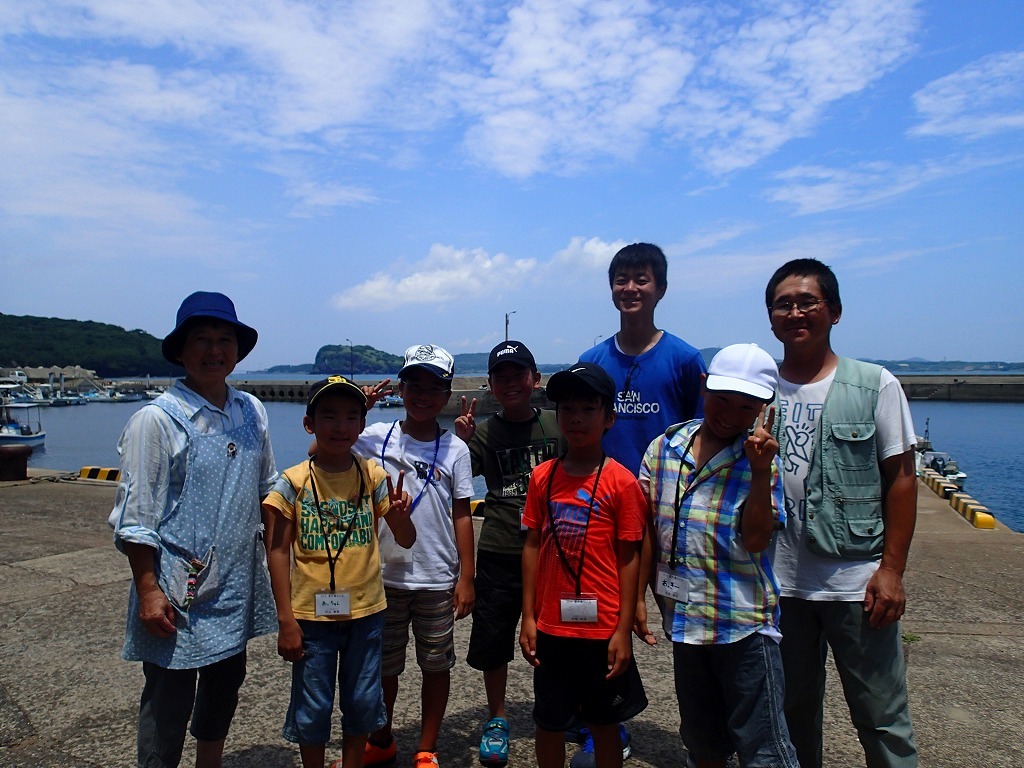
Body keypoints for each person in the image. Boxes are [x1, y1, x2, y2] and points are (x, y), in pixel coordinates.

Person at [108, 291, 278, 768]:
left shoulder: (251, 410)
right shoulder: (157, 420)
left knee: (225, 688)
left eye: (225, 340)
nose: (214, 350)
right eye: (201, 340)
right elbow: (135, 517)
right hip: (175, 589)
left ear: (238, 351)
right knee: (168, 700)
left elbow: (268, 487)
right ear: (181, 350)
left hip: (235, 584)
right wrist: (147, 589)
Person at [765, 259, 918, 768]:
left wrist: (891, 570)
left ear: (834, 311)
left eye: (807, 301)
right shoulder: (759, 390)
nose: (795, 312)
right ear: (770, 318)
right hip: (779, 585)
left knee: (880, 716)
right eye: (784, 303)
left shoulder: (874, 384)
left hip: (857, 583)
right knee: (789, 714)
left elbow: (901, 476)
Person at [641, 344, 799, 768]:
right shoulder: (664, 448)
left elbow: (756, 540)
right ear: (703, 386)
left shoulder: (761, 459)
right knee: (703, 743)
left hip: (743, 626)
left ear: (764, 409)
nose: (730, 413)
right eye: (721, 399)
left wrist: (762, 471)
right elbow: (646, 534)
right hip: (685, 624)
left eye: (747, 406)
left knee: (765, 746)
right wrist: (636, 601)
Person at [262, 376, 416, 768]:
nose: (340, 426)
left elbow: (406, 538)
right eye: (328, 416)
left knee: (363, 700)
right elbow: (277, 549)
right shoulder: (293, 482)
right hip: (310, 617)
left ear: (362, 426)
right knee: (313, 704)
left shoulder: (372, 476)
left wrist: (401, 519)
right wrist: (285, 620)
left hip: (366, 613)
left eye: (351, 417)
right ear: (309, 424)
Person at [519, 362, 648, 768]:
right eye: (567, 409)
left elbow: (630, 557)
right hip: (552, 624)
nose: (576, 419)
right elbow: (533, 545)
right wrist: (528, 614)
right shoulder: (542, 477)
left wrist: (623, 628)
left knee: (603, 721)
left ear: (609, 418)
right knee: (550, 720)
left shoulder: (621, 482)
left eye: (588, 409)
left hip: (602, 624)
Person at [355, 344, 476, 768]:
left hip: (437, 576)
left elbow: (463, 513)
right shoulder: (373, 437)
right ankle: (382, 736)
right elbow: (321, 453)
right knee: (384, 667)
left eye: (433, 387)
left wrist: (466, 577)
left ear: (445, 395)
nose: (422, 395)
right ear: (400, 389)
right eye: (414, 385)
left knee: (435, 664)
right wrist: (358, 407)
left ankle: (427, 746)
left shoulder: (456, 450)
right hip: (382, 575)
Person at [454, 340, 565, 767]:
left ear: (536, 380)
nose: (511, 383)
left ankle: (555, 712)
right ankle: (497, 717)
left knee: (554, 637)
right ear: (491, 386)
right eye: (501, 377)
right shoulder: (484, 432)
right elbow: (459, 481)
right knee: (494, 636)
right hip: (500, 546)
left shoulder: (557, 426)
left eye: (519, 374)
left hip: (554, 549)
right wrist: (461, 442)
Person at [579, 242, 706, 474]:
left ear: (661, 289)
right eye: (621, 280)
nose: (630, 288)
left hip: (665, 492)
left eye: (641, 280)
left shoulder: (685, 360)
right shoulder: (591, 362)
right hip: (603, 492)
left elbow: (701, 434)